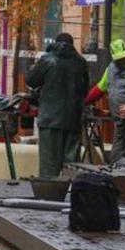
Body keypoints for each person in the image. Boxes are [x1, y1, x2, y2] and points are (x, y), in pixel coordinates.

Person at [26, 32, 90, 178]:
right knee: (71, 165)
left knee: (49, 165)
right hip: (73, 120)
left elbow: (31, 80)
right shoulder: (81, 62)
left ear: (55, 43)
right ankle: (71, 196)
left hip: (50, 119)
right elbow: (85, 90)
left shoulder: (48, 60)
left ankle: (50, 194)